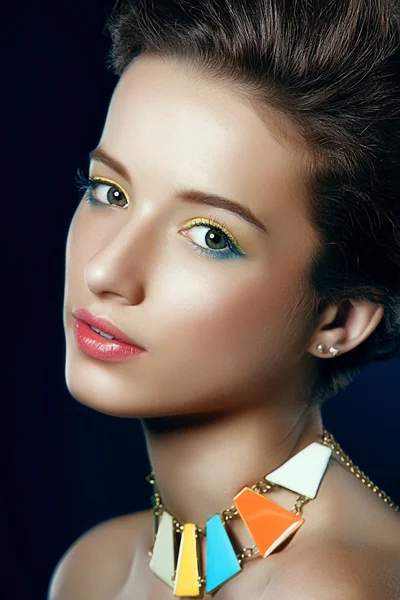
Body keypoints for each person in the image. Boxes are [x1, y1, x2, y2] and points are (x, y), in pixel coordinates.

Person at [48, 0, 400, 598]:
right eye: (109, 191)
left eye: (211, 236)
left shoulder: (338, 586)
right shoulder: (96, 569)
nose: (106, 269)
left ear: (339, 319)